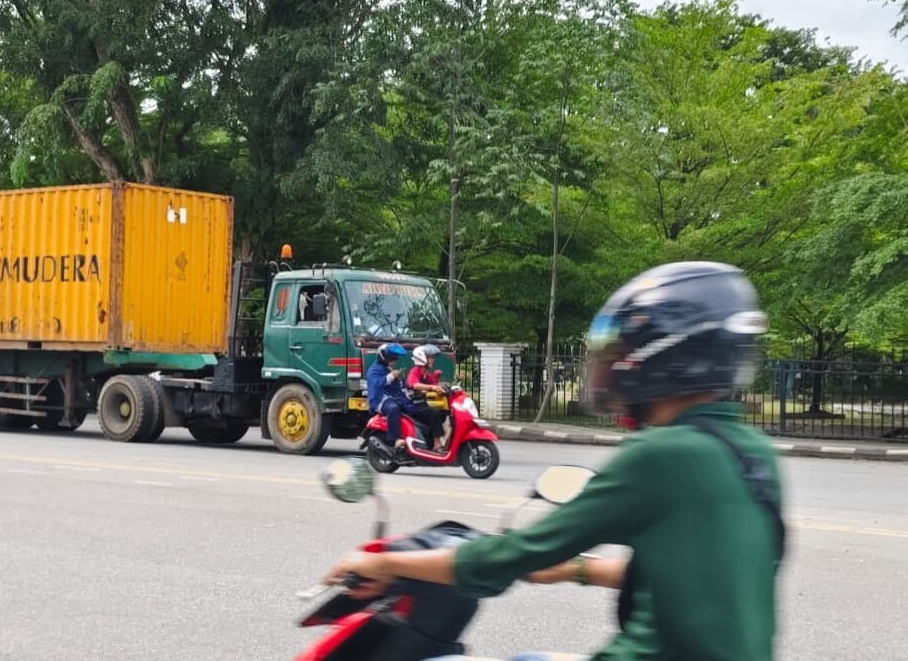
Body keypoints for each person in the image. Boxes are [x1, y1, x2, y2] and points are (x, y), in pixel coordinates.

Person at [325, 262, 785, 661]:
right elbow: (691, 574)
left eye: (623, 352)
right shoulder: (750, 452)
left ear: (663, 355)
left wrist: (386, 564)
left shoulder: (663, 455)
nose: (615, 366)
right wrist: (574, 569)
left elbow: (505, 559)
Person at [365, 343, 414, 450]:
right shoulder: (374, 370)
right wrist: (391, 376)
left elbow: (400, 387)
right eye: (392, 358)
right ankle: (396, 439)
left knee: (413, 408)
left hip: (393, 398)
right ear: (384, 357)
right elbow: (378, 384)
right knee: (394, 409)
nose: (394, 361)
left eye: (395, 359)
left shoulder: (389, 369)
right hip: (379, 400)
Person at [406, 344, 450, 451]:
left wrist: (446, 389)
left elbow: (436, 386)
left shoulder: (427, 375)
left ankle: (444, 439)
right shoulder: (415, 371)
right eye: (430, 357)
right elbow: (414, 384)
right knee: (434, 413)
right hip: (412, 406)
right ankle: (437, 443)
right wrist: (432, 387)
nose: (433, 360)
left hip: (422, 405)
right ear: (422, 357)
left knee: (445, 412)